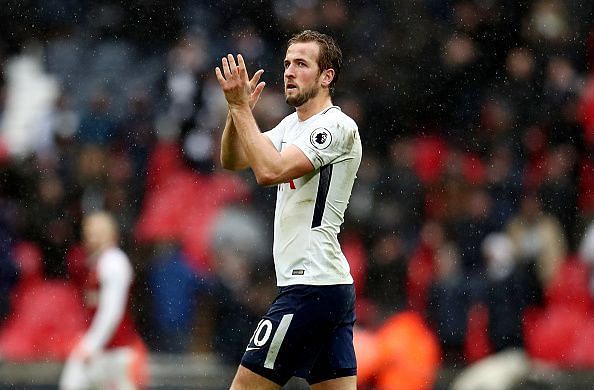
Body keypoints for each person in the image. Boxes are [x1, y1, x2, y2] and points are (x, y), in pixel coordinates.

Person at [215, 30, 362, 389]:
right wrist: (240, 113)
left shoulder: (335, 127)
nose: (289, 72)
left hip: (309, 286)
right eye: (286, 64)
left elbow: (269, 171)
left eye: (301, 64)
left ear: (327, 76)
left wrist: (238, 110)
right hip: (326, 287)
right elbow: (232, 159)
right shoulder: (290, 126)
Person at [59, 211, 146, 389]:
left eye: (98, 232)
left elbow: (112, 311)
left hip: (116, 351)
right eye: (89, 232)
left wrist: (91, 345)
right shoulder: (96, 263)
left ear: (112, 234)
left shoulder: (113, 262)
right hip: (103, 349)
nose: (92, 237)